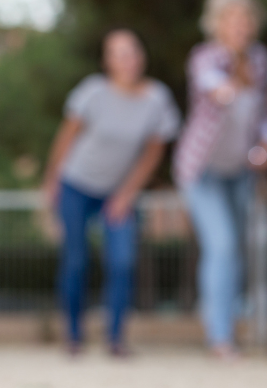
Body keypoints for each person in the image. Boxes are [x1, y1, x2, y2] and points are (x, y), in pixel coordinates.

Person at [42, 29, 180, 356]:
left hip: (116, 192)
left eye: (132, 51)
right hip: (76, 184)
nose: (128, 59)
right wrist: (51, 183)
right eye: (119, 53)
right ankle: (73, 335)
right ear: (108, 61)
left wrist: (126, 194)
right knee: (75, 260)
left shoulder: (156, 99)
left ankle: (115, 338)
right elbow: (66, 138)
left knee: (122, 261)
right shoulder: (92, 93)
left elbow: (153, 152)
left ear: (141, 56)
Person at [173, 0, 267, 360]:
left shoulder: (262, 60)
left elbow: (262, 112)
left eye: (246, 19)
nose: (241, 26)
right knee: (221, 244)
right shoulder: (205, 57)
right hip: (201, 170)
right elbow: (220, 91)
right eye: (233, 19)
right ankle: (220, 337)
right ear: (217, 24)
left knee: (235, 251)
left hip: (239, 170)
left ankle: (226, 327)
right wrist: (238, 69)